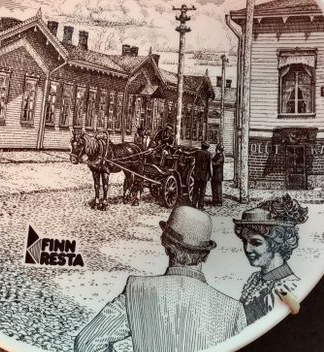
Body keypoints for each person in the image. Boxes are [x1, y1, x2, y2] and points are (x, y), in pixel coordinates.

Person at [75, 206, 246, 352]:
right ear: (206, 255)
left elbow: (86, 343)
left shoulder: (138, 290)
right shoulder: (233, 310)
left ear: (166, 247)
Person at [233, 194, 308, 325]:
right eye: (245, 241)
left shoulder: (288, 286)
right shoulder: (255, 278)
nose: (247, 249)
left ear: (276, 244)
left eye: (256, 243)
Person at [192, 141, 212, 209]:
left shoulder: (197, 152)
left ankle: (193, 204)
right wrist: (211, 175)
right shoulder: (209, 154)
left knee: (195, 190)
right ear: (207, 147)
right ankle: (200, 205)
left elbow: (194, 162)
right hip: (204, 175)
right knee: (202, 191)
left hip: (197, 174)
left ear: (202, 146)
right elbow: (210, 166)